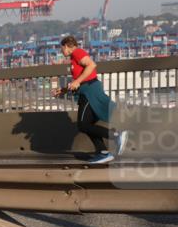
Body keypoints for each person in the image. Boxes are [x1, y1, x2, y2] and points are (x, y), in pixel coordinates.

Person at [55, 36, 129, 164]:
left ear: (66, 45)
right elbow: (80, 79)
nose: (61, 51)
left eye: (61, 48)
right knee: (87, 125)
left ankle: (116, 135)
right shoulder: (73, 58)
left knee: (83, 125)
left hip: (90, 93)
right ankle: (103, 152)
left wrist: (77, 81)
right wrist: (64, 90)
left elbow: (91, 65)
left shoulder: (77, 52)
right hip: (87, 90)